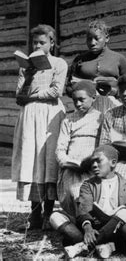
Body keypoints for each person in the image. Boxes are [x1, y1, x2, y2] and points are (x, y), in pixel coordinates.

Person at [11, 24, 67, 230]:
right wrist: (27, 77)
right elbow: (18, 96)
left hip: (50, 114)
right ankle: (35, 213)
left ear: (52, 43)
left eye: (42, 42)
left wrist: (31, 96)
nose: (38, 45)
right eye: (35, 42)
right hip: (29, 115)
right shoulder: (25, 67)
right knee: (32, 160)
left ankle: (49, 213)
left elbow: (56, 91)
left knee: (48, 159)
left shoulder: (59, 63)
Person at [50, 145, 126, 259]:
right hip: (91, 227)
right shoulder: (88, 184)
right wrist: (88, 228)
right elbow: (83, 207)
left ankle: (83, 246)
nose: (94, 165)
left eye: (98, 161)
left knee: (125, 213)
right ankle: (101, 245)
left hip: (114, 229)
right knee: (55, 216)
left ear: (113, 163)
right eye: (92, 162)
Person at [56, 81, 102, 219]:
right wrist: (66, 162)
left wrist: (94, 161)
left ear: (93, 97)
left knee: (92, 192)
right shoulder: (68, 120)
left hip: (93, 165)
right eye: (75, 100)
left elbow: (104, 144)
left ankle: (91, 220)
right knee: (73, 190)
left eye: (82, 100)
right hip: (72, 167)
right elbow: (60, 149)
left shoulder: (101, 118)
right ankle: (80, 220)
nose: (78, 104)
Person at [66, 20, 126, 113]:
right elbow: (68, 87)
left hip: (113, 107)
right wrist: (78, 88)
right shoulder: (79, 60)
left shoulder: (119, 59)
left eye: (97, 38)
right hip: (86, 108)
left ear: (107, 38)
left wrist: (114, 90)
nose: (92, 43)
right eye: (89, 39)